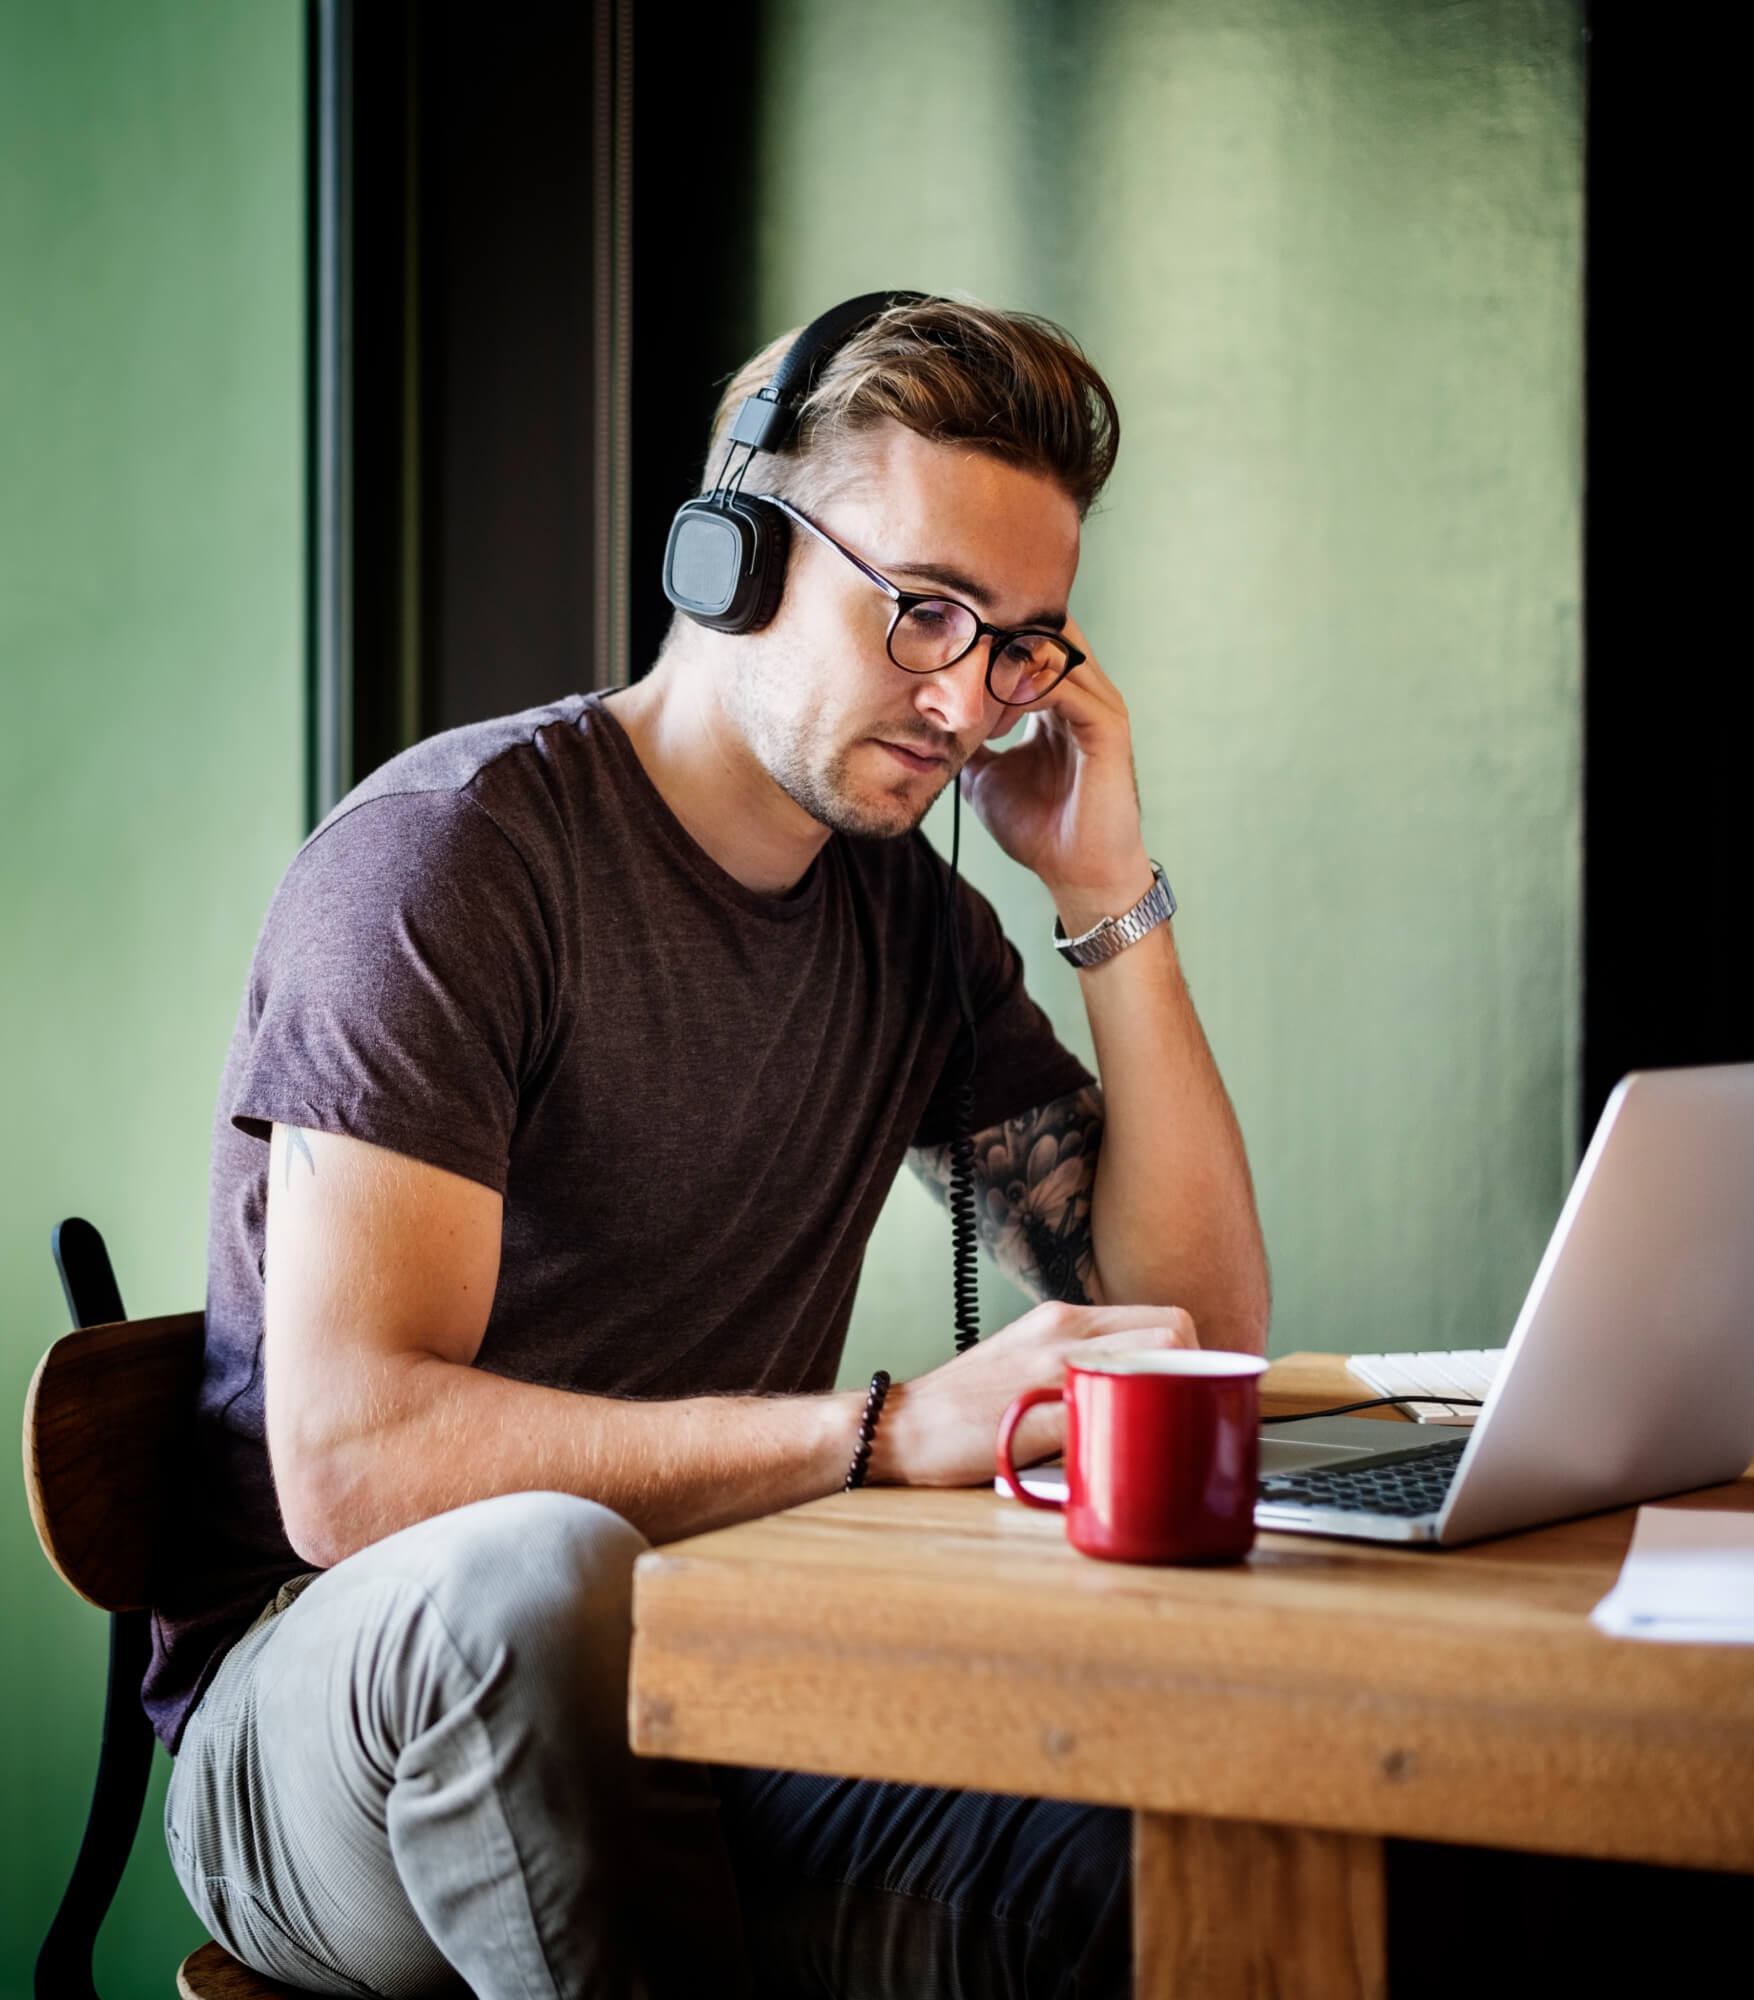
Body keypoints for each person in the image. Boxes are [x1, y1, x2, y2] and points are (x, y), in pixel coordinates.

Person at [155, 295, 1269, 1998]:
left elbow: (1193, 1337)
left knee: (1174, 1876)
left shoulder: (909, 926)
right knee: (532, 1582)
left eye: (1023, 643)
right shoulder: (449, 867)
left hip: (712, 1662)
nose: (972, 704)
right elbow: (352, 1466)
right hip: (332, 1709)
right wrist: (885, 1434)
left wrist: (1109, 896)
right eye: (923, 613)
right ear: (727, 554)